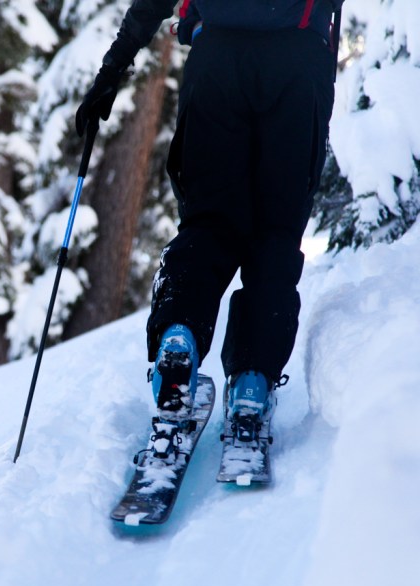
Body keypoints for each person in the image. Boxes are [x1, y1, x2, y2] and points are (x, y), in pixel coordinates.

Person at [75, 0, 341, 436]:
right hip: (299, 65)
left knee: (208, 221)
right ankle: (252, 382)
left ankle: (179, 337)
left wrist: (112, 70)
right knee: (277, 232)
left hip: (217, 63)